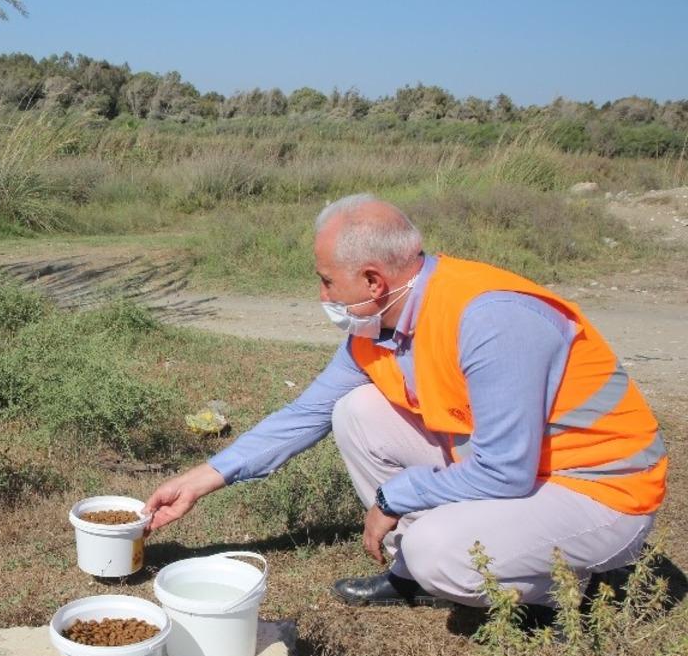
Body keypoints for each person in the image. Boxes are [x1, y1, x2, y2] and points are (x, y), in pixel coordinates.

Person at [143, 194, 666, 613]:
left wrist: (397, 497)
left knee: (438, 550)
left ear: (373, 280)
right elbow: (305, 415)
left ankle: (569, 587)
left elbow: (505, 471)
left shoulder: (490, 319)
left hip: (600, 490)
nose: (322, 295)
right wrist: (198, 480)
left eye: (327, 281)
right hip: (520, 471)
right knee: (355, 410)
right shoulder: (379, 328)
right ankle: (415, 570)